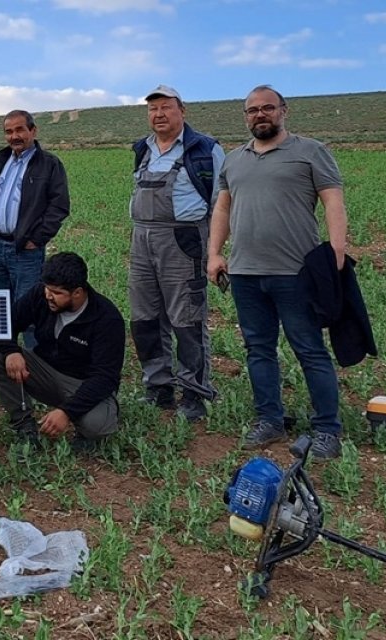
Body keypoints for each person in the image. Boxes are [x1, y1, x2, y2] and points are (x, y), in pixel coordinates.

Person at [206, 85, 350, 460]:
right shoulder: (234, 160)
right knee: (258, 349)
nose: (260, 115)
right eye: (252, 110)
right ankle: (269, 418)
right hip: (245, 273)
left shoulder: (309, 151)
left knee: (310, 350)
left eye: (267, 108)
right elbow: (222, 209)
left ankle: (327, 429)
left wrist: (336, 250)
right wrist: (214, 253)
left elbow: (333, 200)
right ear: (245, 116)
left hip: (296, 272)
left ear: (283, 111)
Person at [128, 84, 225, 422]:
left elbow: (221, 203)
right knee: (145, 319)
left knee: (187, 320)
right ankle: (159, 388)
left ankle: (194, 394)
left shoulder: (205, 149)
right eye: (153, 109)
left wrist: (215, 250)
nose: (159, 114)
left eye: (166, 107)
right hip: (142, 240)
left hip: (184, 240)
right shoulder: (143, 148)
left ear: (182, 111)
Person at [0, 252, 125, 451]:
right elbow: (6, 323)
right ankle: (24, 424)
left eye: (57, 293)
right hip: (45, 372)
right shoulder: (40, 295)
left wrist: (66, 412)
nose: (48, 296)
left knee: (97, 426)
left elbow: (105, 377)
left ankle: (84, 431)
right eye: (46, 289)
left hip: (83, 382)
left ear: (77, 292)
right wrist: (10, 351)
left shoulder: (107, 319)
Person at [0, 109, 70, 346]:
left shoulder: (49, 164)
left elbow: (59, 206)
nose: (14, 136)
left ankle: (32, 368)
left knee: (28, 310)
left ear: (33, 130)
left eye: (19, 129)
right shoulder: (2, 160)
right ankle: (3, 362)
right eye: (8, 131)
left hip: (25, 250)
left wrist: (36, 239)